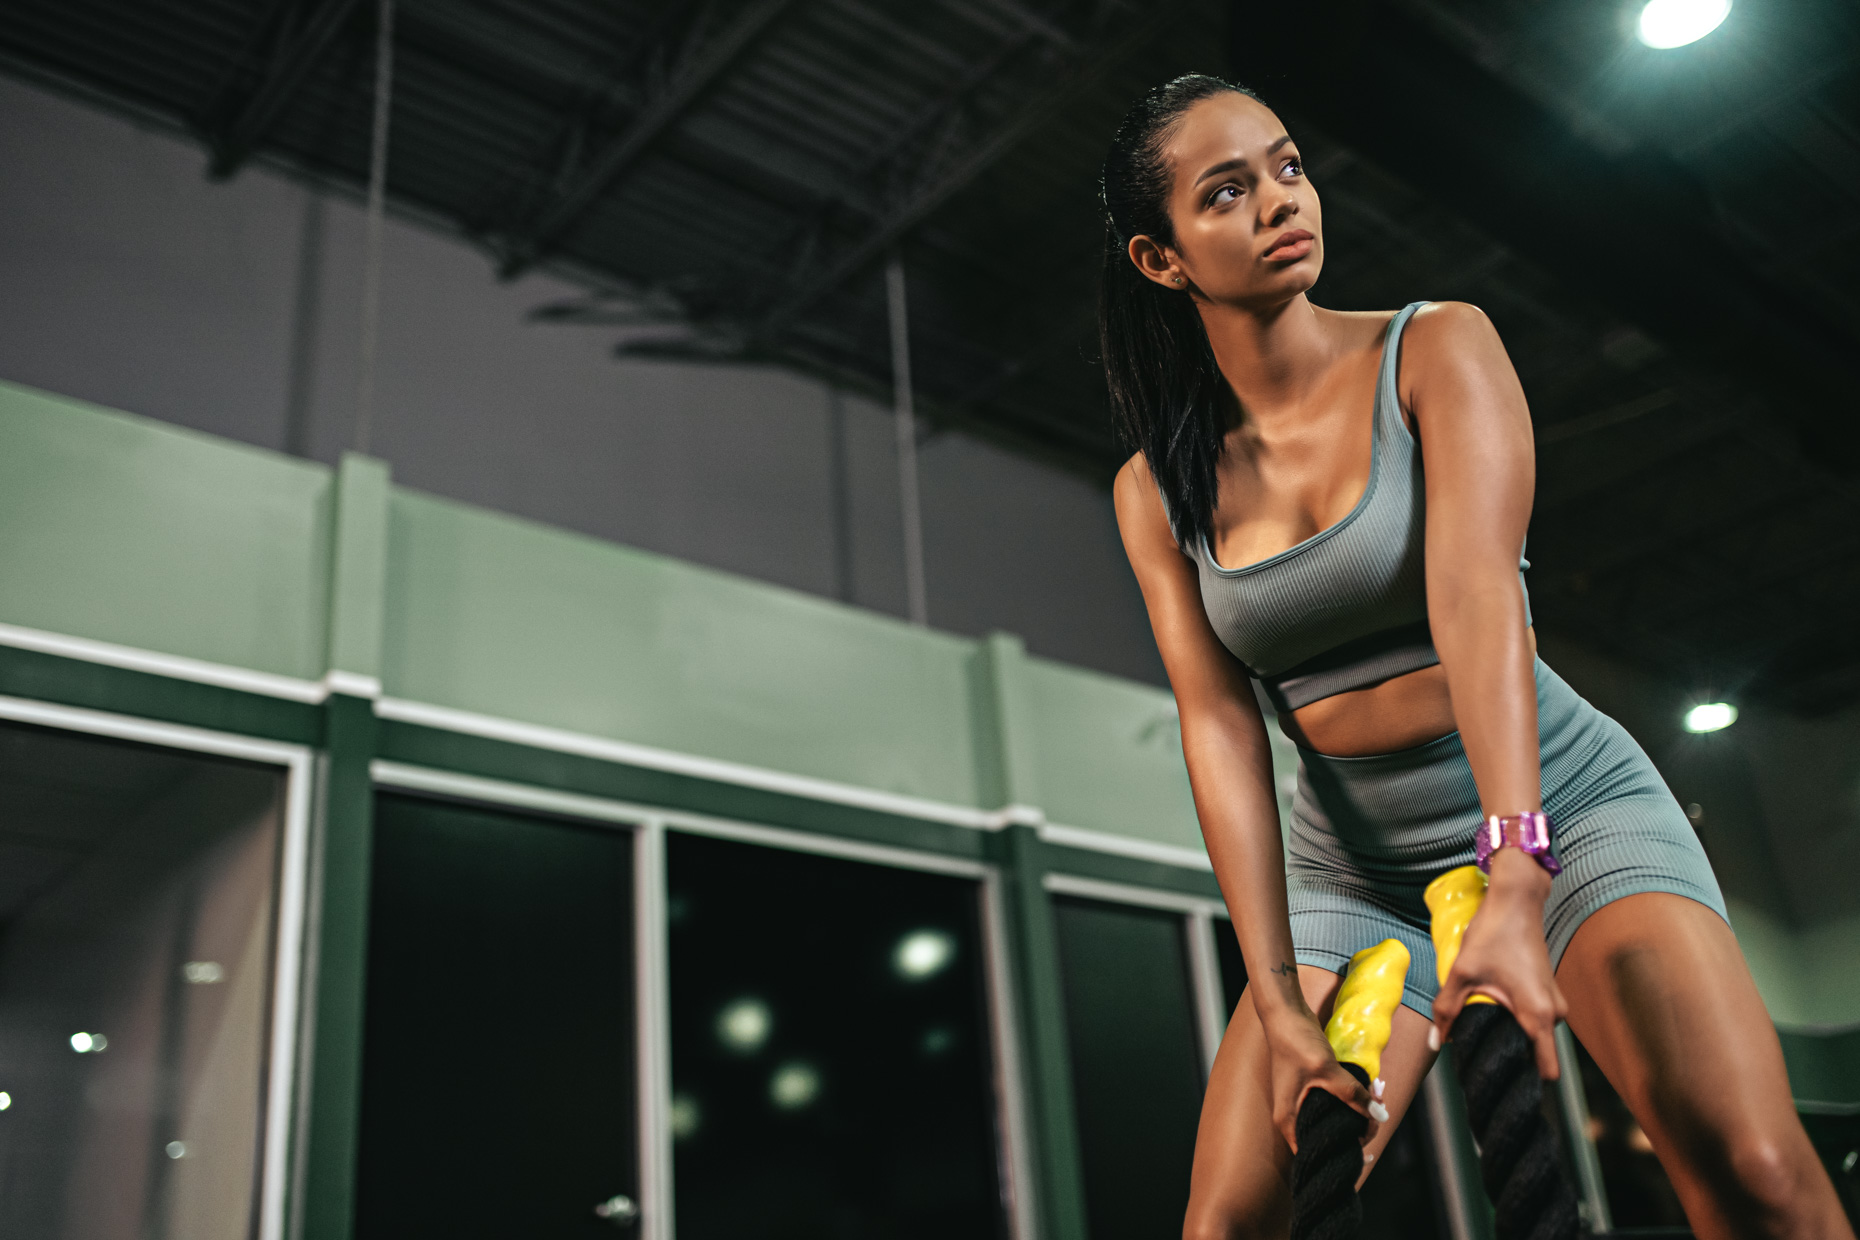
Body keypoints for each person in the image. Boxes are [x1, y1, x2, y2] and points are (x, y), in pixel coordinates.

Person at [1100, 74, 1854, 1240]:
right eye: (1228, 191)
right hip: (1349, 869)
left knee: (1752, 1168)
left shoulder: (1436, 349)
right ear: (1163, 259)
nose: (1281, 202)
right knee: (1231, 1222)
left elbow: (1478, 602)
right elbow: (1219, 728)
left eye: (1289, 167)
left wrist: (1516, 865)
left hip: (1560, 801)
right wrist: (1273, 991)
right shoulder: (1155, 493)